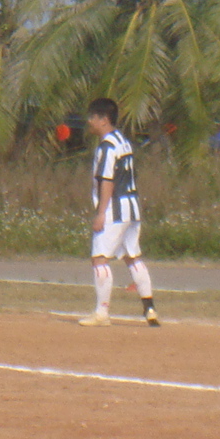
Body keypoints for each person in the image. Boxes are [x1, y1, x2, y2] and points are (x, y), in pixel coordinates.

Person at [80, 97, 156, 327]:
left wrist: (101, 213)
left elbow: (107, 180)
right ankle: (149, 308)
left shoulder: (107, 146)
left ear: (104, 120)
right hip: (132, 207)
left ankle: (101, 312)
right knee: (132, 256)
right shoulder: (123, 141)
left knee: (99, 258)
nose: (89, 121)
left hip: (115, 208)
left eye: (92, 117)